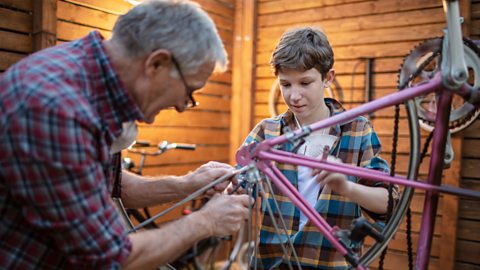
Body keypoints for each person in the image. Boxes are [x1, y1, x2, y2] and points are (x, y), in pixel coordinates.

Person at [0, 0, 251, 269]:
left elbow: (113, 185)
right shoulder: (58, 109)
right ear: (156, 64)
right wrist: (205, 222)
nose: (181, 106)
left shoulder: (94, 81)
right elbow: (111, 258)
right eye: (190, 91)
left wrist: (189, 184)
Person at [237, 27, 399, 269]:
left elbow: (389, 203)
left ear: (328, 78)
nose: (294, 95)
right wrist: (225, 186)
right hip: (272, 263)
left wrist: (347, 187)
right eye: (286, 84)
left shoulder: (357, 129)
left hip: (332, 263)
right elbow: (239, 189)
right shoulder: (267, 132)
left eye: (305, 82)